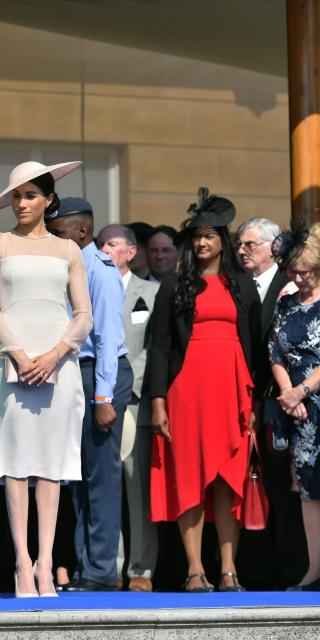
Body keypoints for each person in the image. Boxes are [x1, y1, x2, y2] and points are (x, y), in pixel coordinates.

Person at [0, 160, 93, 598]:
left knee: (51, 467)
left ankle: (47, 564)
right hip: (13, 365)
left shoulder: (68, 251)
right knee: (15, 467)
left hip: (59, 367)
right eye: (16, 196)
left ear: (48, 200)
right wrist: (20, 355)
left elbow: (83, 314)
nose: (21, 203)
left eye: (29, 195)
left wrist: (56, 354)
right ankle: (22, 565)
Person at [148, 188, 261, 593]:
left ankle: (229, 569)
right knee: (191, 477)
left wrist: (255, 401)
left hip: (233, 390)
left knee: (229, 479)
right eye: (196, 236)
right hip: (186, 392)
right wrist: (158, 400)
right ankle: (195, 569)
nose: (201, 243)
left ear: (222, 240)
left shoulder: (243, 286)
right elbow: (160, 346)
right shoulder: (174, 284)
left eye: (209, 236)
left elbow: (256, 348)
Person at [46, 199, 133, 593]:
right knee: (77, 479)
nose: (52, 234)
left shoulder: (98, 268)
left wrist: (102, 398)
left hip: (99, 373)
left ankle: (100, 570)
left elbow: (109, 338)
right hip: (74, 373)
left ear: (81, 232)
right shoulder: (68, 266)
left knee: (100, 477)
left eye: (59, 228)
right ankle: (86, 566)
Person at [236, 217, 303, 590]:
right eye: (240, 245)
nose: (242, 251)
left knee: (288, 488)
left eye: (251, 244)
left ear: (273, 246)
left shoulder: (290, 285)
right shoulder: (239, 284)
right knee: (258, 488)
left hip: (287, 401)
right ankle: (259, 570)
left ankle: (292, 567)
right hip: (252, 402)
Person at [97, 224, 160, 592]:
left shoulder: (151, 292)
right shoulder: (87, 288)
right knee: (103, 487)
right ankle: (109, 565)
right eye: (101, 243)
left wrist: (123, 385)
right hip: (99, 400)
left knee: (137, 489)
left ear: (131, 252)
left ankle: (141, 568)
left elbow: (153, 346)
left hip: (133, 398)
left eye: (113, 244)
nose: (105, 249)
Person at [269, 224, 320, 591]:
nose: (299, 278)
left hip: (313, 397)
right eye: (294, 271)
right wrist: (289, 394)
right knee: (308, 493)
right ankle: (314, 569)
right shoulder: (285, 304)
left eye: (307, 271)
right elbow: (275, 352)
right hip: (299, 413)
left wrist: (301, 390)